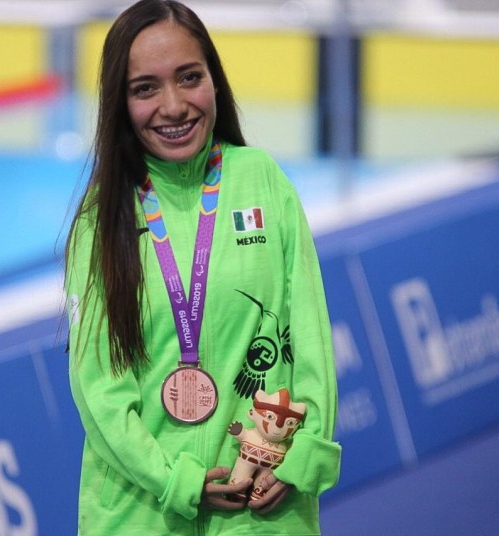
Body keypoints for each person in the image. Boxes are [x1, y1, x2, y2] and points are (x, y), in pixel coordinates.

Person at [64, 1, 341, 534]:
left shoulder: (261, 180)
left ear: (214, 80)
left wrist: (304, 451)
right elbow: (98, 389)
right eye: (145, 88)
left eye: (189, 78)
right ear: (119, 103)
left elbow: (311, 334)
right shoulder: (103, 220)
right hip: (142, 512)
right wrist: (173, 480)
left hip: (261, 507)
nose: (173, 106)